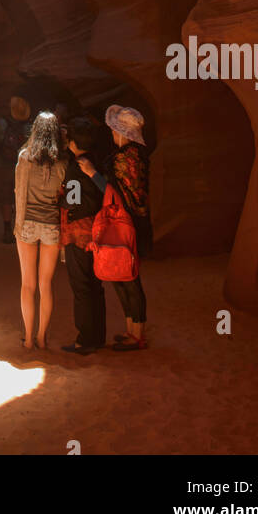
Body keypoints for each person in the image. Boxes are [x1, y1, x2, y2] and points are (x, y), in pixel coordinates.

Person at [14, 111, 67, 352]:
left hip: (27, 225)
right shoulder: (62, 163)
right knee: (46, 284)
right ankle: (43, 337)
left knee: (28, 285)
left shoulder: (25, 158)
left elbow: (19, 193)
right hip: (51, 226)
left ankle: (27, 339)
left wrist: (18, 225)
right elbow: (64, 199)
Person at [103, 104, 151, 351]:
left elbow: (121, 190)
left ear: (121, 132)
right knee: (125, 276)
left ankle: (137, 334)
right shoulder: (136, 154)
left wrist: (93, 176)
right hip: (134, 222)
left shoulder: (126, 156)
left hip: (126, 223)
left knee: (129, 278)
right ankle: (132, 330)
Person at [59, 116, 107, 355]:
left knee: (81, 287)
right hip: (98, 230)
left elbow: (73, 200)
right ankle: (98, 337)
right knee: (95, 286)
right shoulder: (96, 161)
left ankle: (85, 339)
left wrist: (60, 200)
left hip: (79, 232)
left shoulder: (75, 167)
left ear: (74, 142)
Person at [0, 96, 32, 242]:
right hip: (24, 166)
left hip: (6, 165)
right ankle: (21, 228)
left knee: (6, 198)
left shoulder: (4, 123)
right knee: (23, 198)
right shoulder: (29, 125)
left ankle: (7, 229)